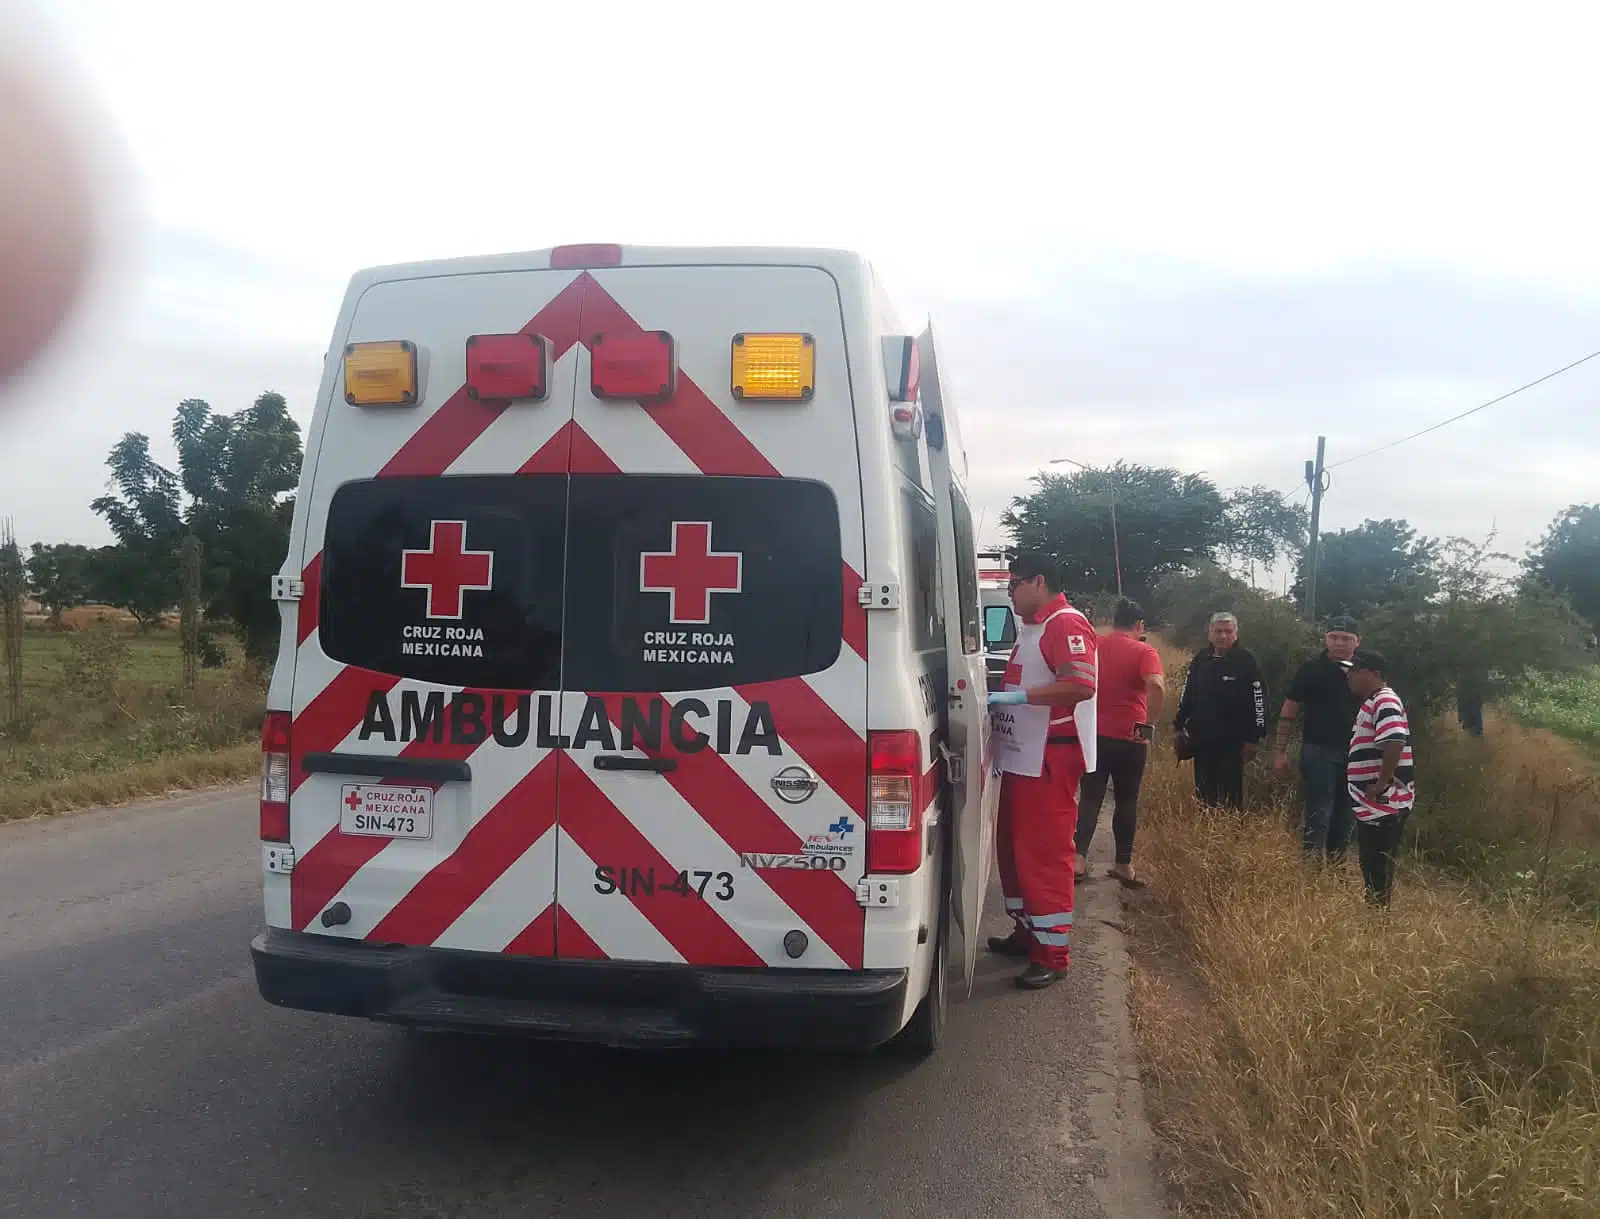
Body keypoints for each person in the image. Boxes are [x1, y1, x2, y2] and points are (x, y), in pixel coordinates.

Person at [984, 553, 1098, 989]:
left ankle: (1052, 952)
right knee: (1014, 851)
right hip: (1024, 755)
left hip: (1049, 754)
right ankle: (1027, 932)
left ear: (1040, 582)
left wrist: (1016, 699)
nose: (1010, 593)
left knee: (1043, 853)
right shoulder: (1035, 627)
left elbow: (1080, 684)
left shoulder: (1065, 624)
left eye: (1015, 584)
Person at [1075, 598, 1164, 887]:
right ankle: (1123, 864)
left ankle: (1077, 859)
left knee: (1089, 798)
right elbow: (1157, 685)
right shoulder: (1145, 651)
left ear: (1114, 621)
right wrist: (1149, 724)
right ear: (1139, 625)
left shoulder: (1096, 645)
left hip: (1096, 735)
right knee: (1127, 801)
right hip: (1132, 738)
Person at [1273, 615, 1362, 859]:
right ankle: (1310, 869)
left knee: (1346, 815)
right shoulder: (1311, 670)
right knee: (1319, 812)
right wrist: (1280, 751)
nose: (1339, 643)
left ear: (1358, 642)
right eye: (1334, 637)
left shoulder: (1366, 672)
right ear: (1325, 639)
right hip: (1318, 751)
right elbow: (1290, 707)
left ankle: (1336, 866)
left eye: (1346, 638)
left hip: (1356, 754)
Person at [1172, 612, 1267, 809]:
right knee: (1204, 795)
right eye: (1218, 631)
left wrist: (1254, 738)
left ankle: (1230, 833)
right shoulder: (1201, 659)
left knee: (1231, 798)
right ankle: (1206, 833)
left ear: (1236, 633)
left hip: (1233, 743)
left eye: (1228, 631)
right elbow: (1188, 693)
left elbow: (1259, 701)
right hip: (1202, 739)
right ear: (1210, 633)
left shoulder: (1246, 661)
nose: (1223, 636)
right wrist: (1179, 725)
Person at [1345, 650, 1415, 907]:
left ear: (1373, 674)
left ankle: (1378, 919)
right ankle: (1375, 913)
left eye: (1355, 670)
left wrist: (1383, 782)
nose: (1349, 676)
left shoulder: (1384, 700)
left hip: (1385, 803)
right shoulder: (1373, 700)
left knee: (1378, 864)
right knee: (1371, 863)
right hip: (1374, 804)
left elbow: (1395, 739)